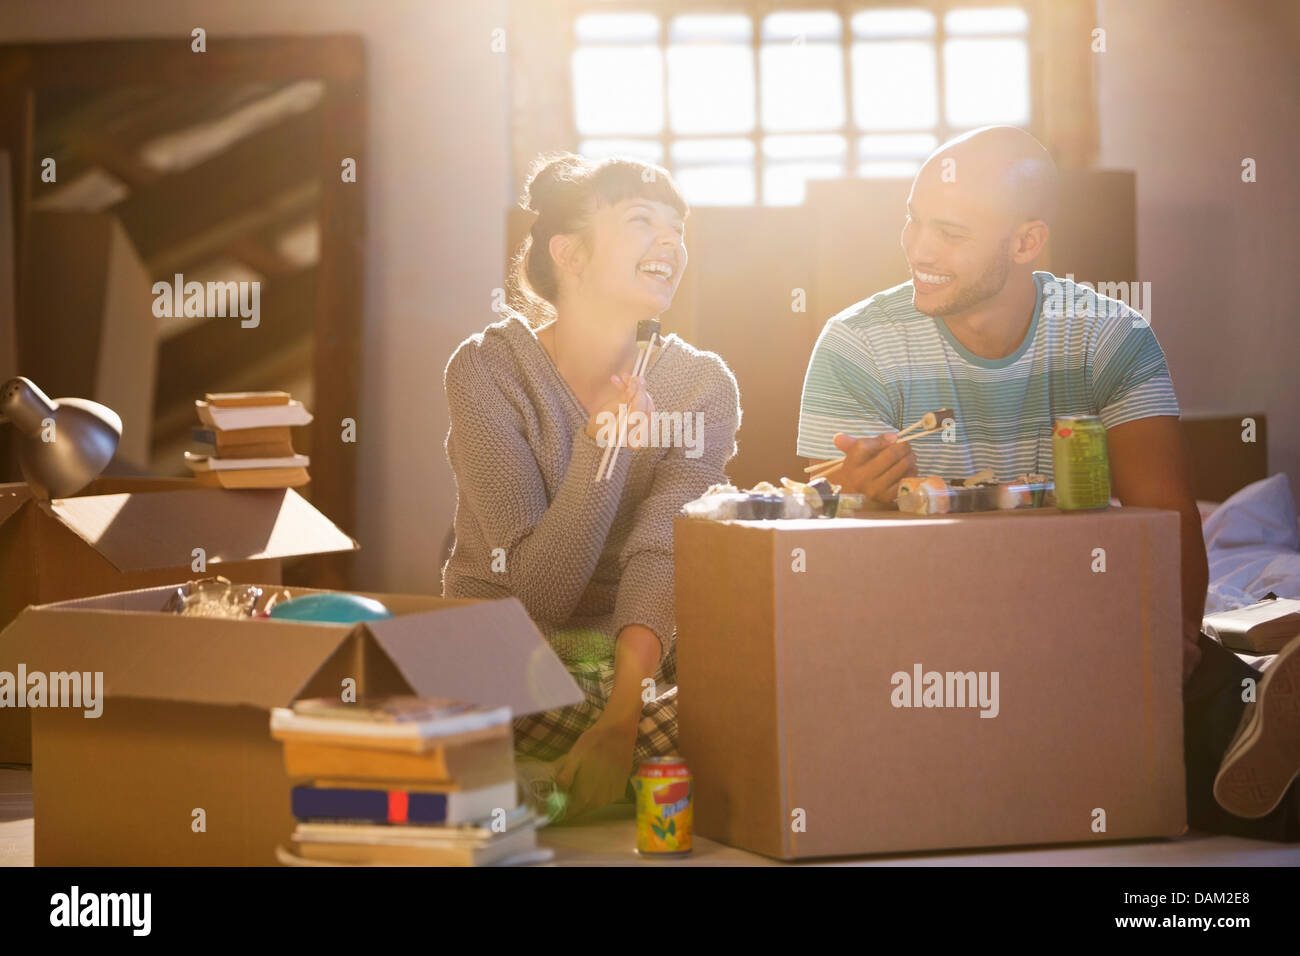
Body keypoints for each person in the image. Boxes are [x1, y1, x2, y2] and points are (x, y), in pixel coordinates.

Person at [797, 125, 1299, 840]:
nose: (917, 248)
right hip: (926, 632)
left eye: (948, 231)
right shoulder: (855, 344)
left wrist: (1175, 646)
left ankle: (1239, 737)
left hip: (1075, 620)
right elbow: (819, 565)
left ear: (1027, 242)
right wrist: (858, 501)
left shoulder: (1110, 337)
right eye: (911, 218)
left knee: (1197, 689)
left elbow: (1164, 515)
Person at [442, 152, 741, 819]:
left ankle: (560, 778)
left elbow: (660, 553)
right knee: (446, 713)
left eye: (678, 227)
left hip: (632, 664)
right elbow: (542, 590)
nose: (671, 242)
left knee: (754, 712)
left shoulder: (702, 385)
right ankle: (558, 780)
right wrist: (602, 452)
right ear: (569, 254)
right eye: (643, 222)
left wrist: (621, 716)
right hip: (509, 655)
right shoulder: (488, 371)